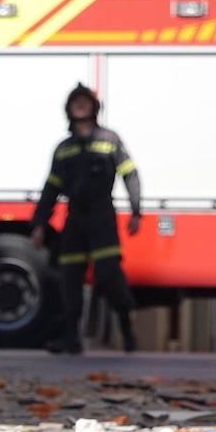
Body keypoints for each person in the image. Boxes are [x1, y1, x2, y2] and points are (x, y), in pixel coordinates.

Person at [30, 84, 142, 354]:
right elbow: (51, 190)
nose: (80, 106)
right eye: (75, 102)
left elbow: (130, 174)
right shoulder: (63, 149)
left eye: (85, 101)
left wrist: (136, 210)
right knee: (70, 279)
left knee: (109, 276)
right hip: (75, 218)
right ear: (68, 109)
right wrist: (38, 225)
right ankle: (71, 338)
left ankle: (127, 332)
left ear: (94, 108)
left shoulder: (109, 139)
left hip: (102, 216)